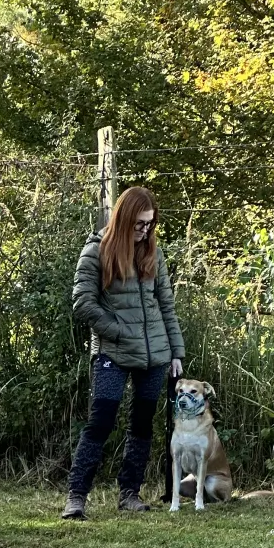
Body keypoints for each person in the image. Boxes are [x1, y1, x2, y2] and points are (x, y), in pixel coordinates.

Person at [63, 185, 185, 519]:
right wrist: (118, 331)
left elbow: (166, 305)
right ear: (124, 217)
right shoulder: (95, 251)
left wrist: (176, 351)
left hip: (155, 354)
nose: (145, 230)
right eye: (140, 224)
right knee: (100, 422)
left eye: (150, 224)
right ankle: (76, 497)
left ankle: (129, 493)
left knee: (142, 424)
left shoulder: (152, 251)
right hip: (111, 353)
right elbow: (83, 303)